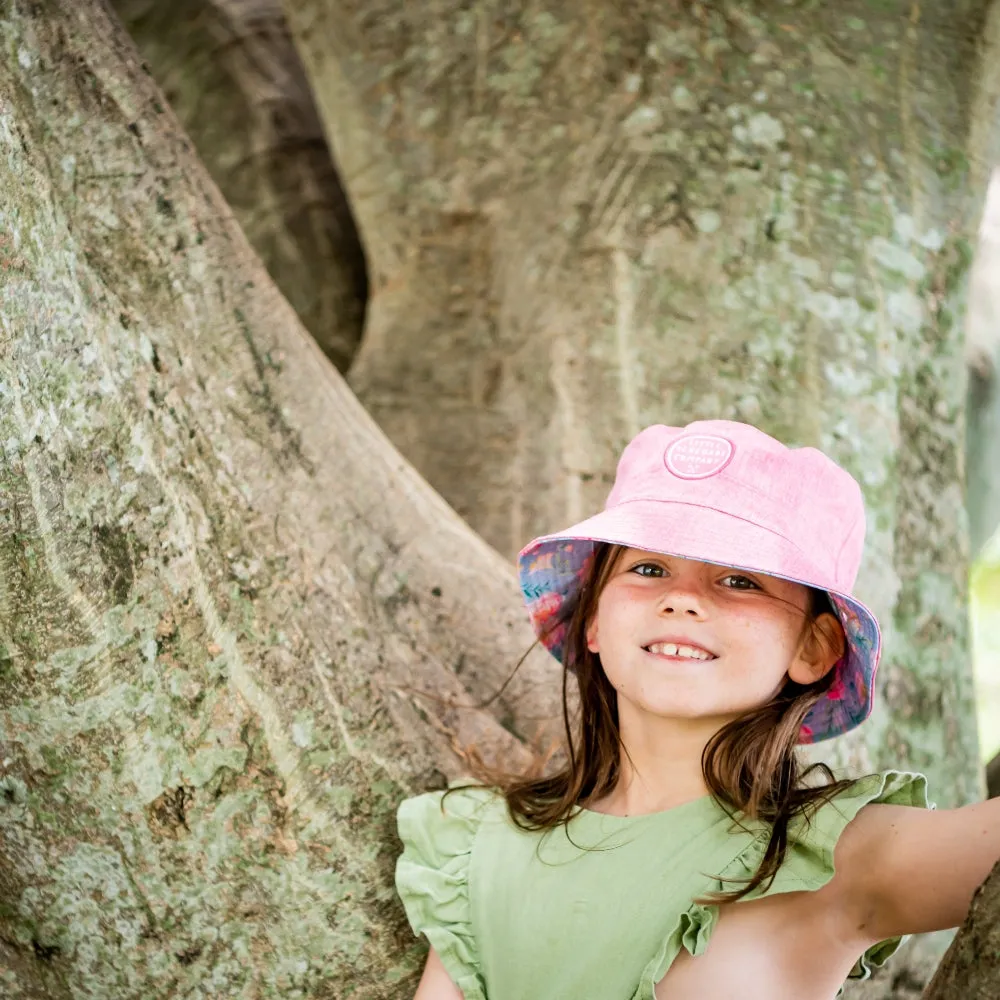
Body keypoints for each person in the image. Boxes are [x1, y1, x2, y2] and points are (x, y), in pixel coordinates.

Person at [394, 420, 1000, 1000]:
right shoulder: (479, 845)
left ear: (815, 648)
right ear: (595, 620)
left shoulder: (840, 855)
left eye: (740, 579)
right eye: (649, 568)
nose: (681, 598)